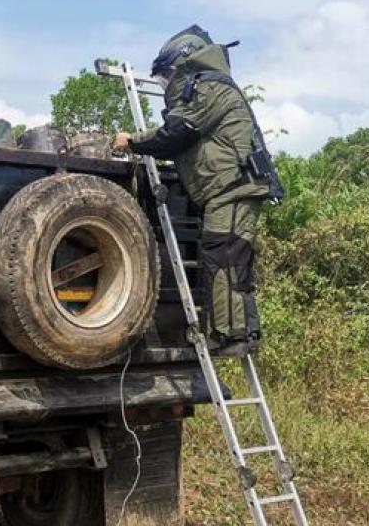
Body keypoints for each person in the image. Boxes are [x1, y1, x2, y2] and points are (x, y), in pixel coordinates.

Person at [113, 25, 277, 357]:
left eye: (165, 77)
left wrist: (132, 140)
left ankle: (232, 335)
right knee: (231, 260)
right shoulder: (206, 89)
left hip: (231, 189)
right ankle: (242, 333)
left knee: (223, 257)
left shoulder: (207, 88)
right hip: (231, 189)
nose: (165, 85)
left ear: (181, 64)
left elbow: (178, 133)